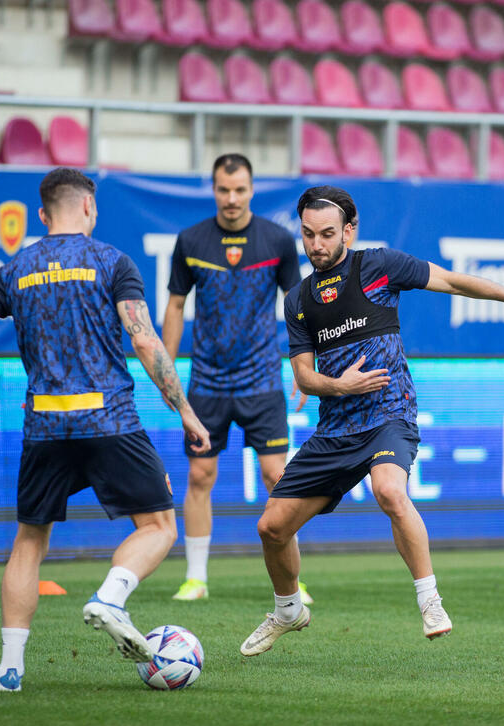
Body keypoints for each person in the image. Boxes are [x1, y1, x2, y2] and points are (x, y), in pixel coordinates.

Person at [0, 168, 210, 692]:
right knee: (158, 526)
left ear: (42, 216)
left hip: (45, 424)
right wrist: (183, 409)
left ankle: (8, 670)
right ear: (89, 208)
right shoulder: (113, 262)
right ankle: (110, 597)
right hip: (108, 419)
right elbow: (144, 341)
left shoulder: (14, 269)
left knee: (29, 542)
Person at [239, 186, 504, 656]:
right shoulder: (299, 299)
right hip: (336, 428)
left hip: (390, 413)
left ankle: (430, 601)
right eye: (307, 235)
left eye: (327, 234)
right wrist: (339, 386)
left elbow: (451, 281)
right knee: (272, 528)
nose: (316, 245)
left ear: (350, 230)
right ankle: (288, 610)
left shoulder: (379, 267)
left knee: (390, 489)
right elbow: (304, 376)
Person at [163, 153, 312, 605]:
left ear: (252, 189)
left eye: (240, 189)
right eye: (224, 190)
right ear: (213, 190)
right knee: (200, 476)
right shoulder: (190, 240)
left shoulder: (278, 240)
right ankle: (195, 578)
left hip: (262, 379)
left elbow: (298, 304)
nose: (232, 198)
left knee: (277, 478)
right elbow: (174, 307)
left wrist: (304, 368)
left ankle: (292, 582)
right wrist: (164, 370)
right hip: (206, 382)